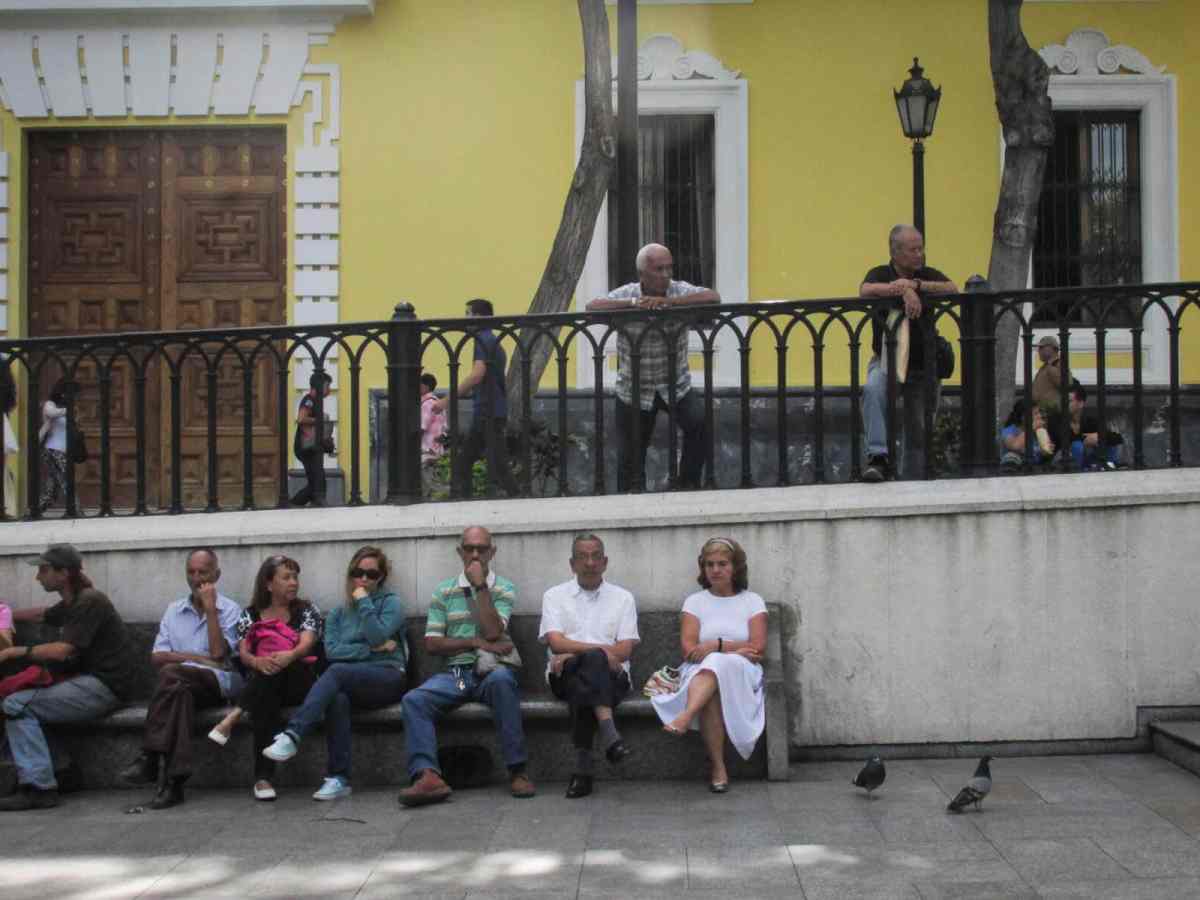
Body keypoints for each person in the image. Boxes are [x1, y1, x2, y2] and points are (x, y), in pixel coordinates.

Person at [399, 526, 534, 806]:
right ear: (460, 551)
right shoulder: (444, 590)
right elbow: (433, 644)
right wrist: (475, 641)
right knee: (415, 700)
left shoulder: (503, 588)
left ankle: (518, 770)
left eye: (481, 549)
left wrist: (480, 586)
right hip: (459, 674)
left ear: (492, 552)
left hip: (492, 670)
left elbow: (494, 631)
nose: (475, 554)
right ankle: (427, 776)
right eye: (469, 548)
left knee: (502, 683)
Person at [261, 546, 407, 801]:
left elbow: (377, 634)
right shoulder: (338, 614)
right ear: (350, 574)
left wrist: (364, 602)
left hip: (388, 676)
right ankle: (339, 778)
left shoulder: (391, 603)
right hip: (353, 678)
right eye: (357, 572)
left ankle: (293, 734)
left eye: (371, 574)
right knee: (336, 697)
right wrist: (373, 650)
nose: (363, 579)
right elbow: (333, 651)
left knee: (338, 673)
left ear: (380, 577)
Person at [0, 544, 135, 811]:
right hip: (88, 684)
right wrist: (5, 615)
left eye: (44, 570)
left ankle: (39, 787)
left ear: (64, 573)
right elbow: (41, 615)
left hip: (104, 687)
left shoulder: (89, 601)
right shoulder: (73, 601)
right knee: (28, 702)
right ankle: (62, 770)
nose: (38, 577)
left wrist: (14, 652)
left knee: (17, 704)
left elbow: (64, 651)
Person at [586, 243, 721, 492]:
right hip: (634, 389)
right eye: (659, 269)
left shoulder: (678, 289)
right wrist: (635, 304)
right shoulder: (628, 292)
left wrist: (670, 302)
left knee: (700, 426)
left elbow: (713, 297)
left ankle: (686, 486)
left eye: (669, 267)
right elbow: (593, 306)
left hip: (676, 383)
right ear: (643, 274)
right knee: (631, 454)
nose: (666, 274)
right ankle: (631, 501)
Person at [118, 549, 242, 810]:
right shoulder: (174, 610)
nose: (196, 578)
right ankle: (174, 782)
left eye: (203, 572)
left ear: (216, 575)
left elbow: (219, 655)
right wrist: (197, 659)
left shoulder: (230, 610)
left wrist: (210, 610)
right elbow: (157, 657)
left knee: (171, 674)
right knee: (178, 692)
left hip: (219, 684)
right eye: (191, 572)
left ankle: (150, 756)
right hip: (182, 685)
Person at [652, 537, 767, 793]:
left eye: (722, 564)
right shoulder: (695, 602)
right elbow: (690, 649)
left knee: (715, 661)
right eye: (710, 564)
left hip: (742, 671)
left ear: (735, 567)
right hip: (701, 670)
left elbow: (757, 647)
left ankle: (685, 716)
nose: (715, 570)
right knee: (712, 680)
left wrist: (716, 646)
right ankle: (719, 767)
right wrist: (737, 646)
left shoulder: (752, 601)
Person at [209, 555, 322, 801]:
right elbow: (244, 652)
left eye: (295, 577)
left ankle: (235, 718)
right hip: (266, 683)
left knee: (270, 674)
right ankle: (262, 779)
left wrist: (288, 655)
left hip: (301, 680)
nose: (293, 583)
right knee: (265, 688)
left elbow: (307, 644)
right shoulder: (250, 614)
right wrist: (258, 661)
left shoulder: (306, 609)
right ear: (269, 584)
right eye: (286, 577)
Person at [539, 533, 638, 799]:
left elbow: (626, 650)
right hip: (564, 673)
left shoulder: (623, 598)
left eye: (596, 556)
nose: (590, 562)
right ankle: (610, 735)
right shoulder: (554, 596)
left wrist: (573, 651)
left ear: (605, 562)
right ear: (572, 564)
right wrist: (602, 653)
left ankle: (583, 770)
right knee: (589, 665)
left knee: (584, 677)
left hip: (612, 677)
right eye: (583, 557)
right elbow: (555, 642)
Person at [859, 225, 959, 482]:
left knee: (918, 431)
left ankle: (912, 483)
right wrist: (902, 290)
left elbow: (952, 288)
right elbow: (865, 290)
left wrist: (915, 284)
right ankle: (878, 458)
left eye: (921, 248)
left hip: (922, 367)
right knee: (872, 391)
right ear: (896, 252)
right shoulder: (881, 272)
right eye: (914, 249)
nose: (920, 254)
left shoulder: (926, 274)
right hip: (886, 362)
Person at [434, 298, 520, 499]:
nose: (465, 320)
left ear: (479, 317)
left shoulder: (483, 339)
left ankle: (517, 500)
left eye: (468, 314)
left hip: (488, 411)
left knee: (492, 465)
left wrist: (446, 400)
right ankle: (467, 503)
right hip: (488, 410)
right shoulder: (492, 340)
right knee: (467, 462)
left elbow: (477, 374)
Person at [290, 371, 333, 507]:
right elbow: (301, 418)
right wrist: (320, 419)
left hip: (312, 447)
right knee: (317, 481)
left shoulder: (317, 401)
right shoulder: (309, 399)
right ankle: (295, 503)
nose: (329, 389)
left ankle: (315, 502)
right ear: (319, 386)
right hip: (305, 447)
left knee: (317, 480)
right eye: (327, 385)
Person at [1068, 382, 1124, 470]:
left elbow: (1117, 438)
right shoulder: (1056, 421)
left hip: (1089, 462)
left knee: (1109, 444)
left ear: (1081, 403)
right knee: (1077, 446)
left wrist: (1098, 437)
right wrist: (1083, 440)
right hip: (1066, 464)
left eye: (1069, 401)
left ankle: (1107, 469)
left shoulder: (1089, 422)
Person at [37, 380, 71, 513]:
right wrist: (67, 410)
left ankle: (38, 508)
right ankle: (75, 508)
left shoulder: (66, 407)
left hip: (63, 449)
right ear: (61, 393)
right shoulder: (50, 404)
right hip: (52, 449)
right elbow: (51, 413)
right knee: (66, 478)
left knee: (53, 482)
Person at [1000, 400, 1054, 468]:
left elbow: (1043, 454)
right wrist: (1031, 428)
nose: (1039, 416)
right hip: (1016, 471)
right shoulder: (1009, 430)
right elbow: (1015, 446)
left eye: (1039, 413)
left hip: (1036, 469)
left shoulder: (1038, 431)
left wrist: (1045, 451)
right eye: (1035, 414)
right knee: (1011, 456)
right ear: (1023, 417)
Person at [420, 372, 448, 496]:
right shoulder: (438, 402)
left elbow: (421, 427)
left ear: (425, 386)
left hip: (427, 451)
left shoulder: (427, 404)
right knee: (434, 482)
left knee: (430, 485)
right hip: (437, 450)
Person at [1031, 334, 1062, 411]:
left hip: (1050, 413)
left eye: (1041, 347)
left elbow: (1064, 384)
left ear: (1052, 348)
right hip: (1041, 411)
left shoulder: (1058, 365)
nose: (1038, 350)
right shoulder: (1046, 366)